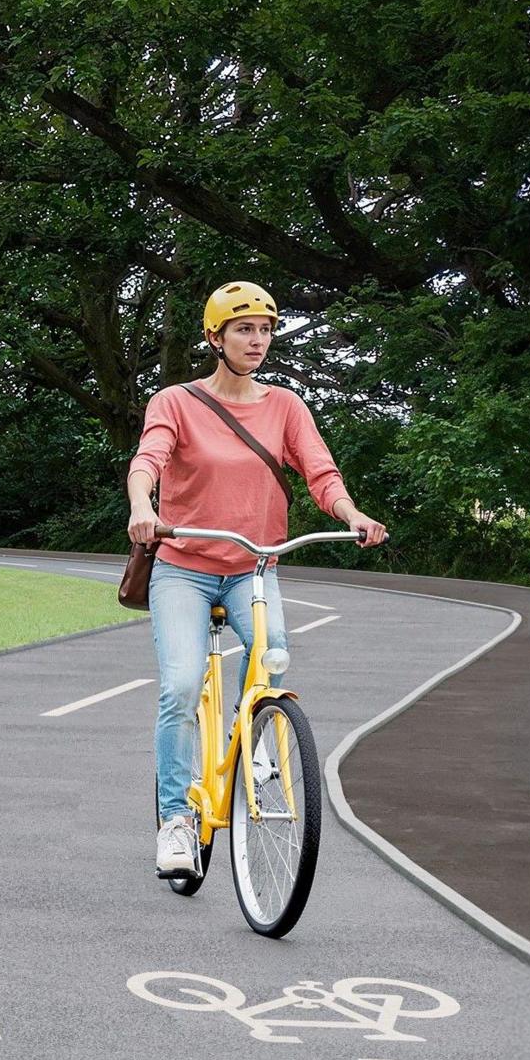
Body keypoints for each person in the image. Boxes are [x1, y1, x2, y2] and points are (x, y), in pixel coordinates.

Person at [127, 282, 389, 876]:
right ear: (214, 338)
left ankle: (252, 744)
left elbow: (321, 474)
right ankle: (175, 823)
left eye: (266, 330)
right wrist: (144, 508)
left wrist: (352, 515)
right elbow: (149, 461)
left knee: (272, 654)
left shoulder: (285, 407)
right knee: (180, 686)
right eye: (244, 329)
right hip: (184, 569)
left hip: (255, 564)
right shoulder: (175, 402)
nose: (258, 341)